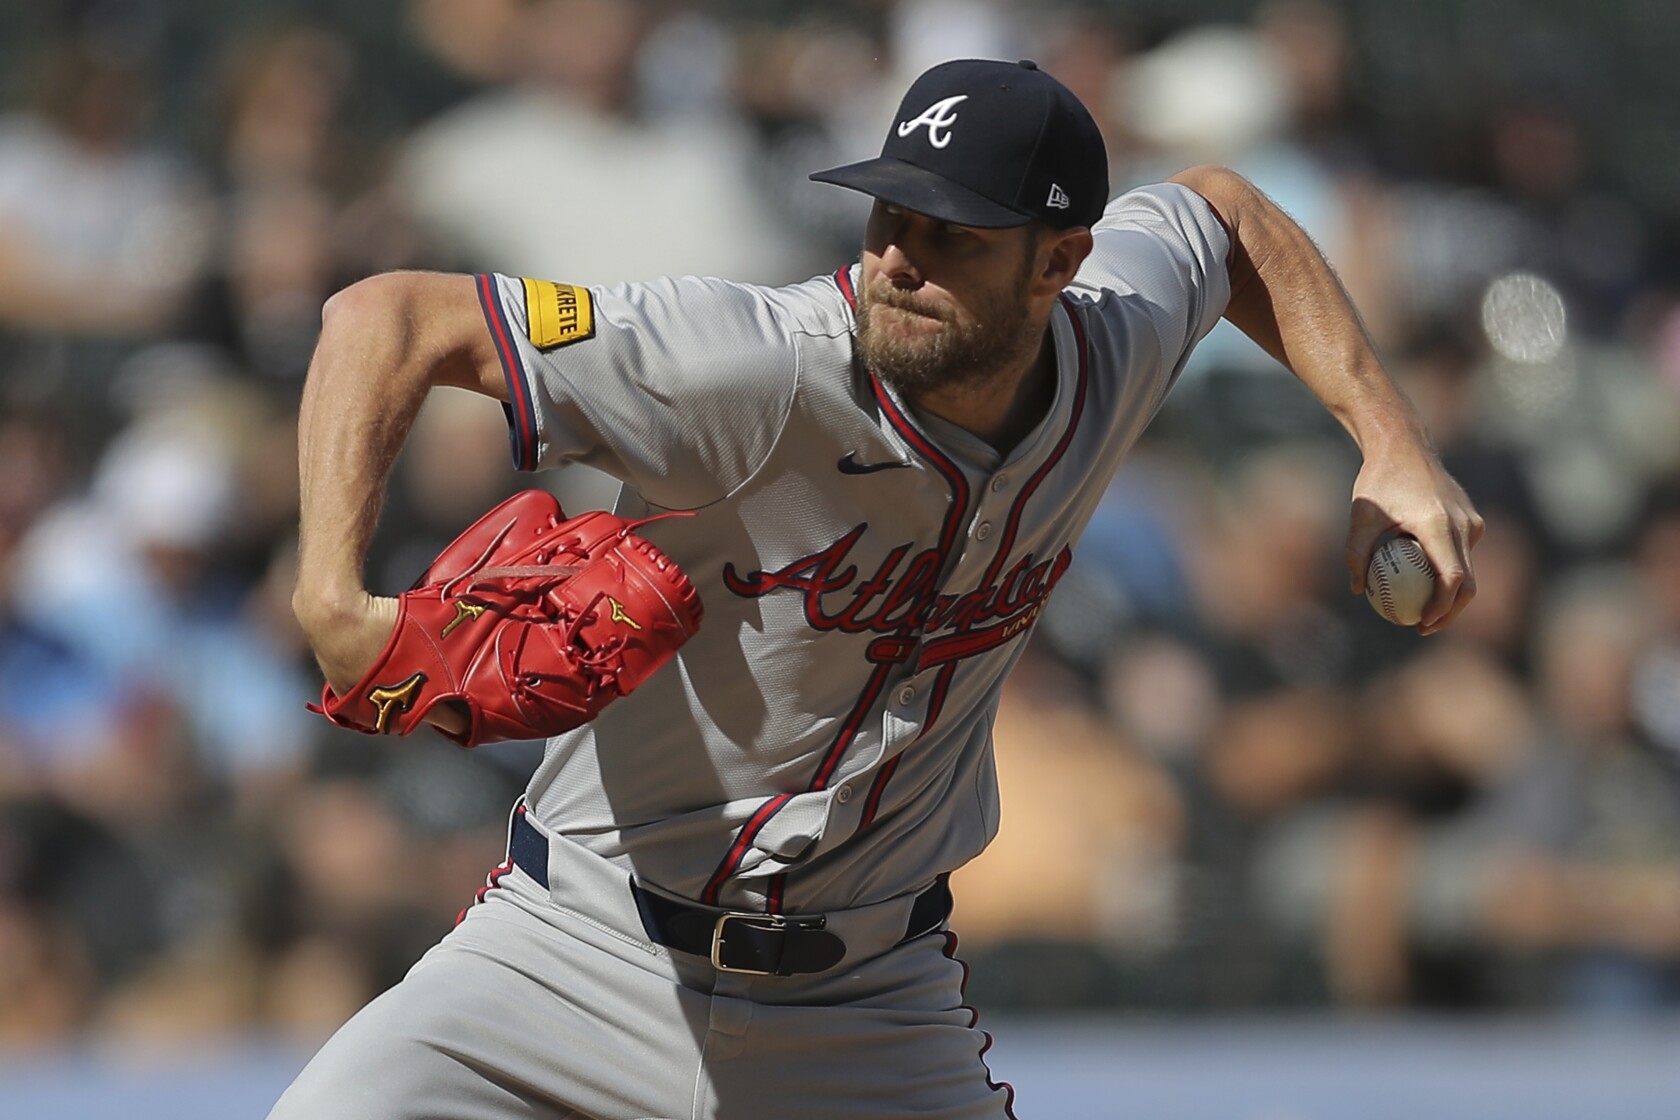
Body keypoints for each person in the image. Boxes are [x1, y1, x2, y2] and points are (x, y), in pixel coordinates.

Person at [278, 58, 1481, 1120]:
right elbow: (386, 318)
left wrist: (1390, 439)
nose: (900, 258)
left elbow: (1225, 217)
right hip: (572, 952)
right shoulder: (750, 365)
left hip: (866, 1006)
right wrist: (332, 596)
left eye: (953, 234)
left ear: (1061, 261)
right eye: (889, 217)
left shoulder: (1118, 334)